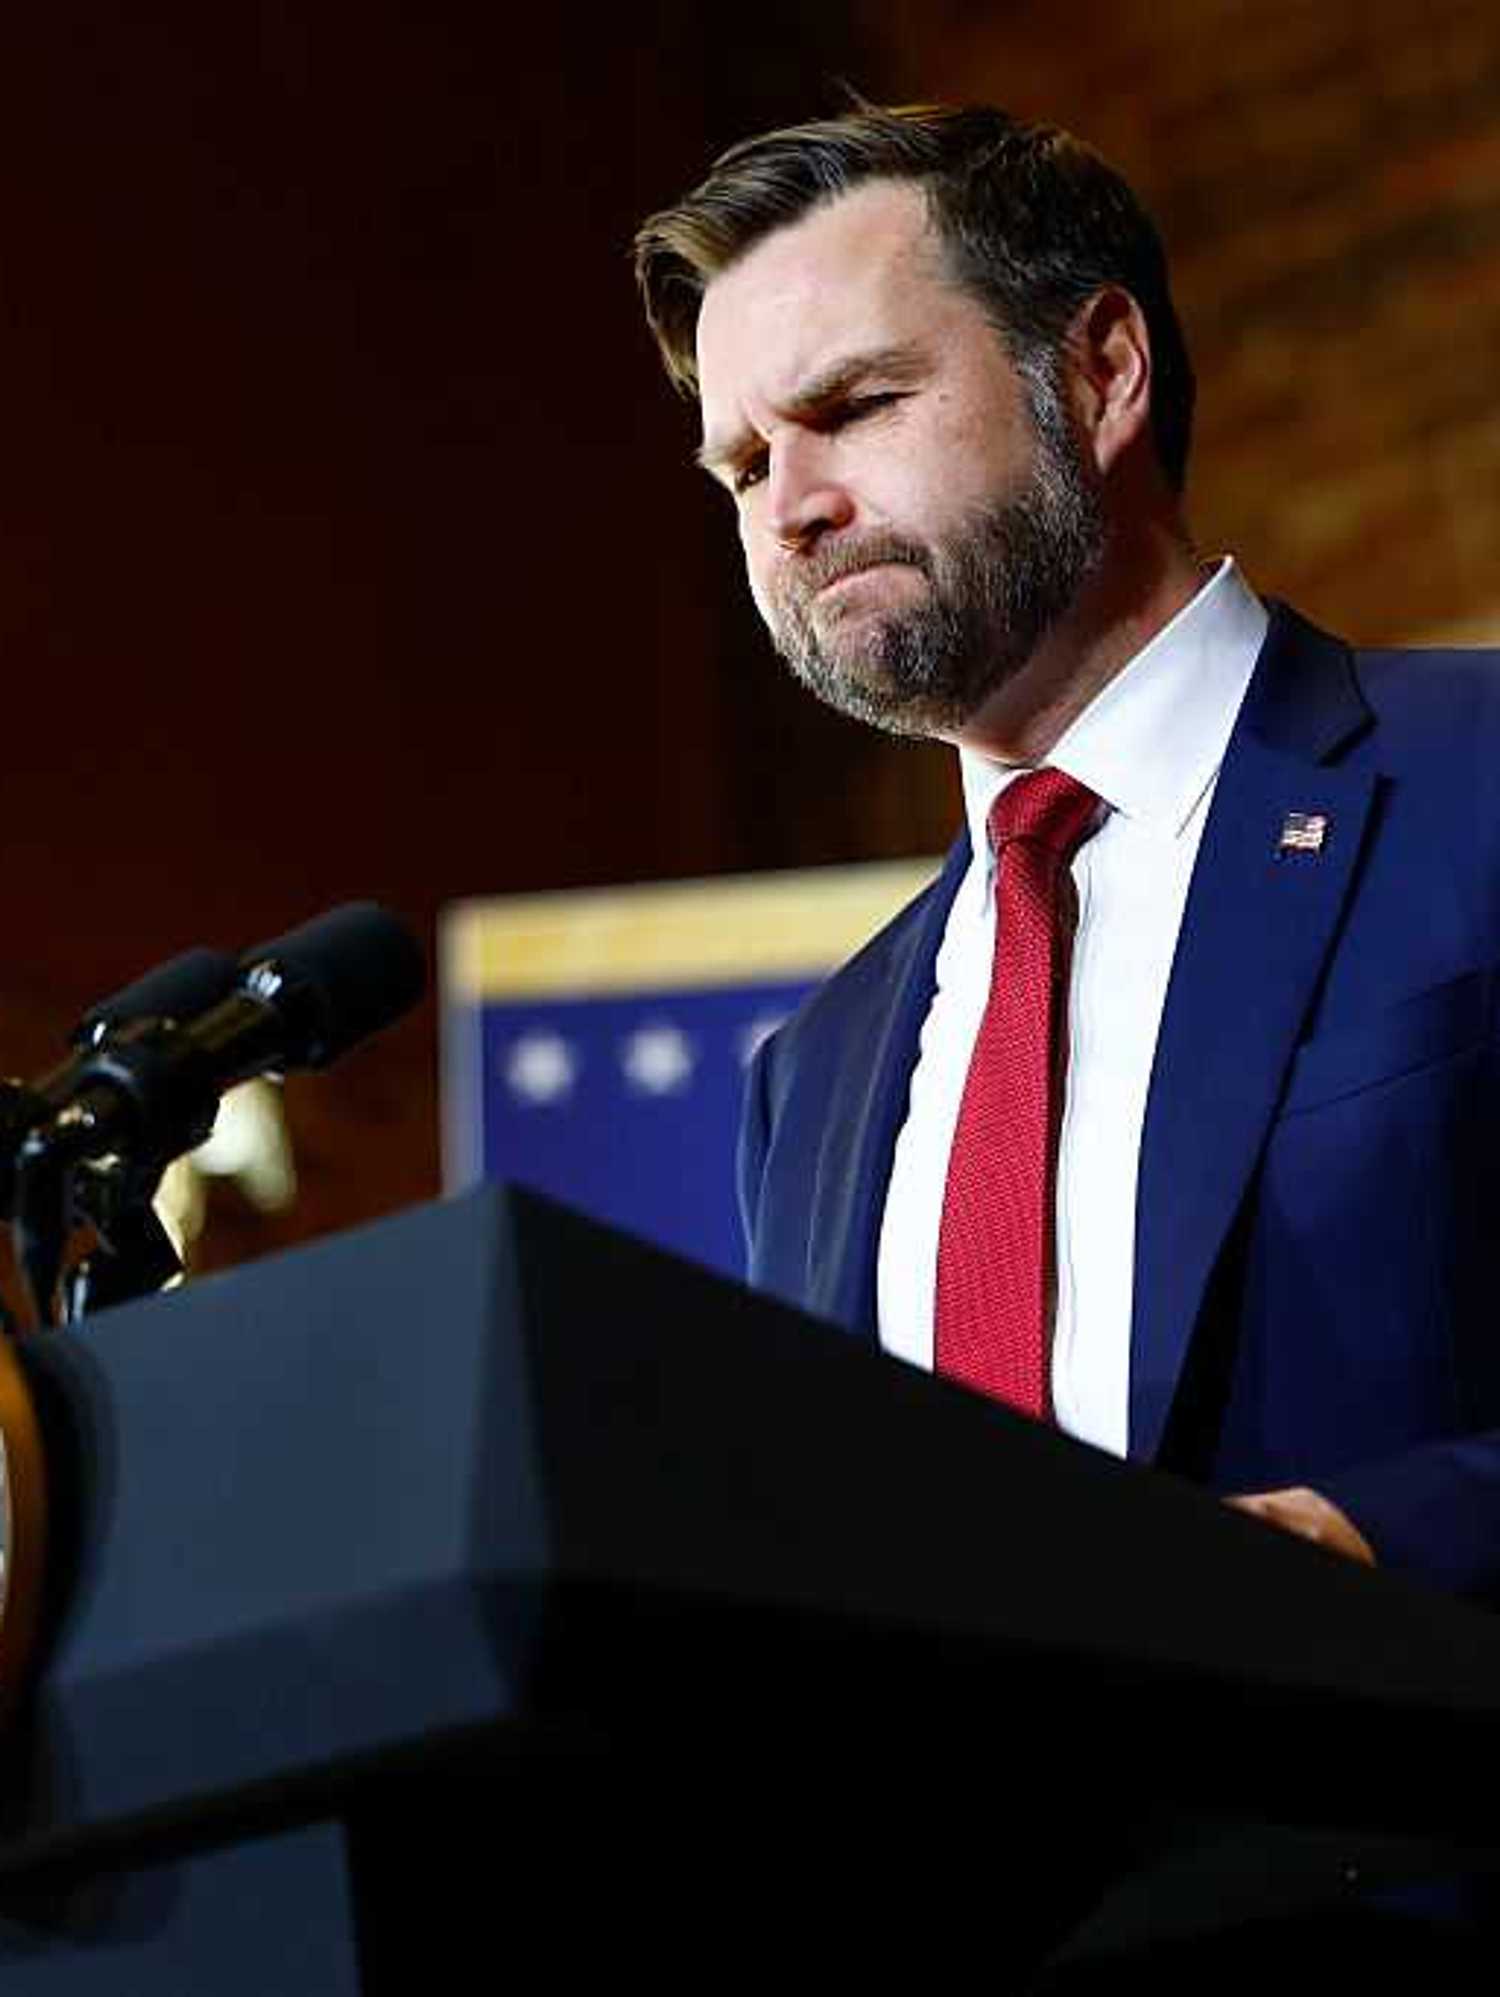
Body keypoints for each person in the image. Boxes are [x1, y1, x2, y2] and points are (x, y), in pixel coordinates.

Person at [633, 103, 1500, 1605]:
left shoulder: (1476, 781)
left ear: (1100, 373)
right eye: (742, 467)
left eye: (855, 404)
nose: (792, 509)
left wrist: (1363, 1551)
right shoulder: (816, 1070)